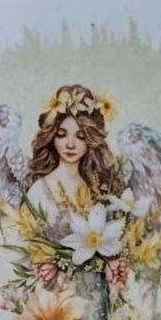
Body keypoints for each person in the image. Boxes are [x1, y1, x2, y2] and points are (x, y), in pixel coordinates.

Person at [23, 84, 118, 230]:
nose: (70, 144)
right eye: (62, 135)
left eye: (80, 136)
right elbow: (24, 238)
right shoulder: (40, 190)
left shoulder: (97, 187)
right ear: (52, 137)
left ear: (91, 140)